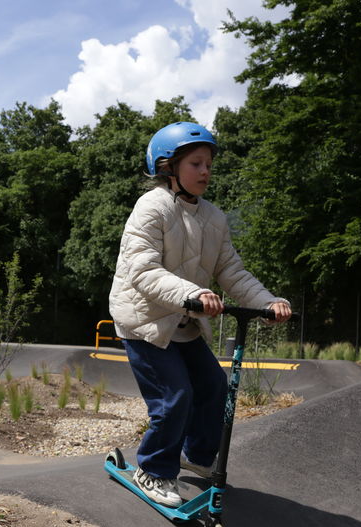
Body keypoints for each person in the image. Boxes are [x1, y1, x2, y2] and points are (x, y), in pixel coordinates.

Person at [108, 121, 292, 507]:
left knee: (213, 388)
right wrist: (193, 293)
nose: (206, 171)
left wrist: (267, 302)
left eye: (209, 163)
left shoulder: (214, 218)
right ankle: (154, 470)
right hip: (144, 321)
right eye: (196, 163)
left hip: (184, 321)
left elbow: (233, 272)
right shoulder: (151, 207)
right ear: (167, 168)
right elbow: (141, 269)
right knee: (175, 396)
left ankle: (196, 457)